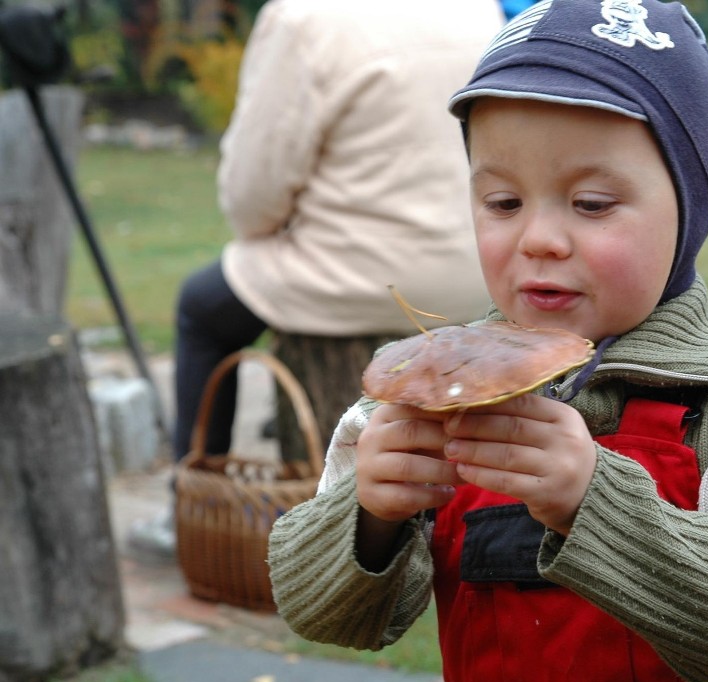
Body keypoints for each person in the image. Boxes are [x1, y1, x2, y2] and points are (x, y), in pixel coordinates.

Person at [267, 1, 708, 682]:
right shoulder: (425, 396)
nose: (539, 237)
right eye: (502, 201)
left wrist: (593, 501)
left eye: (592, 203)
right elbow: (322, 613)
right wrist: (368, 517)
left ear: (690, 206)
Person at [127, 0, 505, 557]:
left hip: (354, 277)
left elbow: (251, 197)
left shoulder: (301, 18)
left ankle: (193, 507)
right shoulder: (477, 9)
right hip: (475, 271)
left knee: (201, 307)